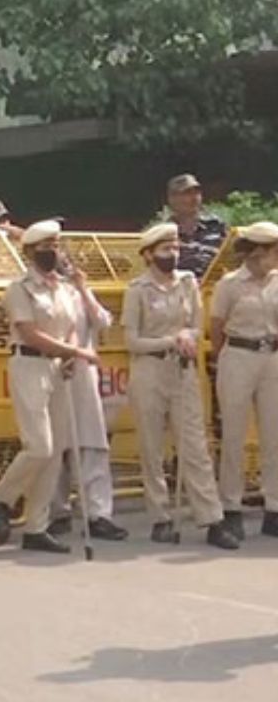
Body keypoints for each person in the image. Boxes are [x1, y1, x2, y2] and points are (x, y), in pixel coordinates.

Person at [0, 219, 98, 554]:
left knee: (57, 449)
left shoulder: (64, 288)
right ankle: (0, 499)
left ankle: (37, 525)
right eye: (47, 247)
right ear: (31, 251)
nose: (54, 252)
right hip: (29, 364)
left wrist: (69, 351)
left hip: (58, 366)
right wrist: (75, 352)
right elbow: (31, 332)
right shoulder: (18, 289)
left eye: (56, 245)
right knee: (39, 445)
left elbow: (72, 326)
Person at [122, 223, 237, 549]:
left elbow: (196, 326)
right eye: (164, 249)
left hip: (183, 371)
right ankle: (160, 516)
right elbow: (132, 340)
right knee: (152, 447)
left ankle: (212, 518)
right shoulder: (137, 290)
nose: (172, 254)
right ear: (148, 254)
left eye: (174, 248)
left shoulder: (187, 284)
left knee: (195, 447)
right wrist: (168, 340)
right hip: (149, 371)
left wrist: (187, 337)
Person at [46, 252, 128, 542]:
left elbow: (103, 321)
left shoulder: (81, 292)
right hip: (53, 372)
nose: (63, 264)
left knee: (92, 443)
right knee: (55, 446)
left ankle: (98, 514)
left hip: (83, 375)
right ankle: (57, 512)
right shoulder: (42, 293)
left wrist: (83, 288)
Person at [209, 221, 278, 541]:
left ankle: (274, 506)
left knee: (273, 434)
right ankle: (231, 506)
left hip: (272, 355)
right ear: (259, 252)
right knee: (234, 433)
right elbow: (217, 327)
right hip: (238, 353)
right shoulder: (230, 284)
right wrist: (222, 358)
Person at [165, 174, 226, 280]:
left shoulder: (216, 225)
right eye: (187, 193)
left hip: (214, 286)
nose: (194, 197)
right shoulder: (164, 232)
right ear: (172, 199)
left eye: (197, 192)